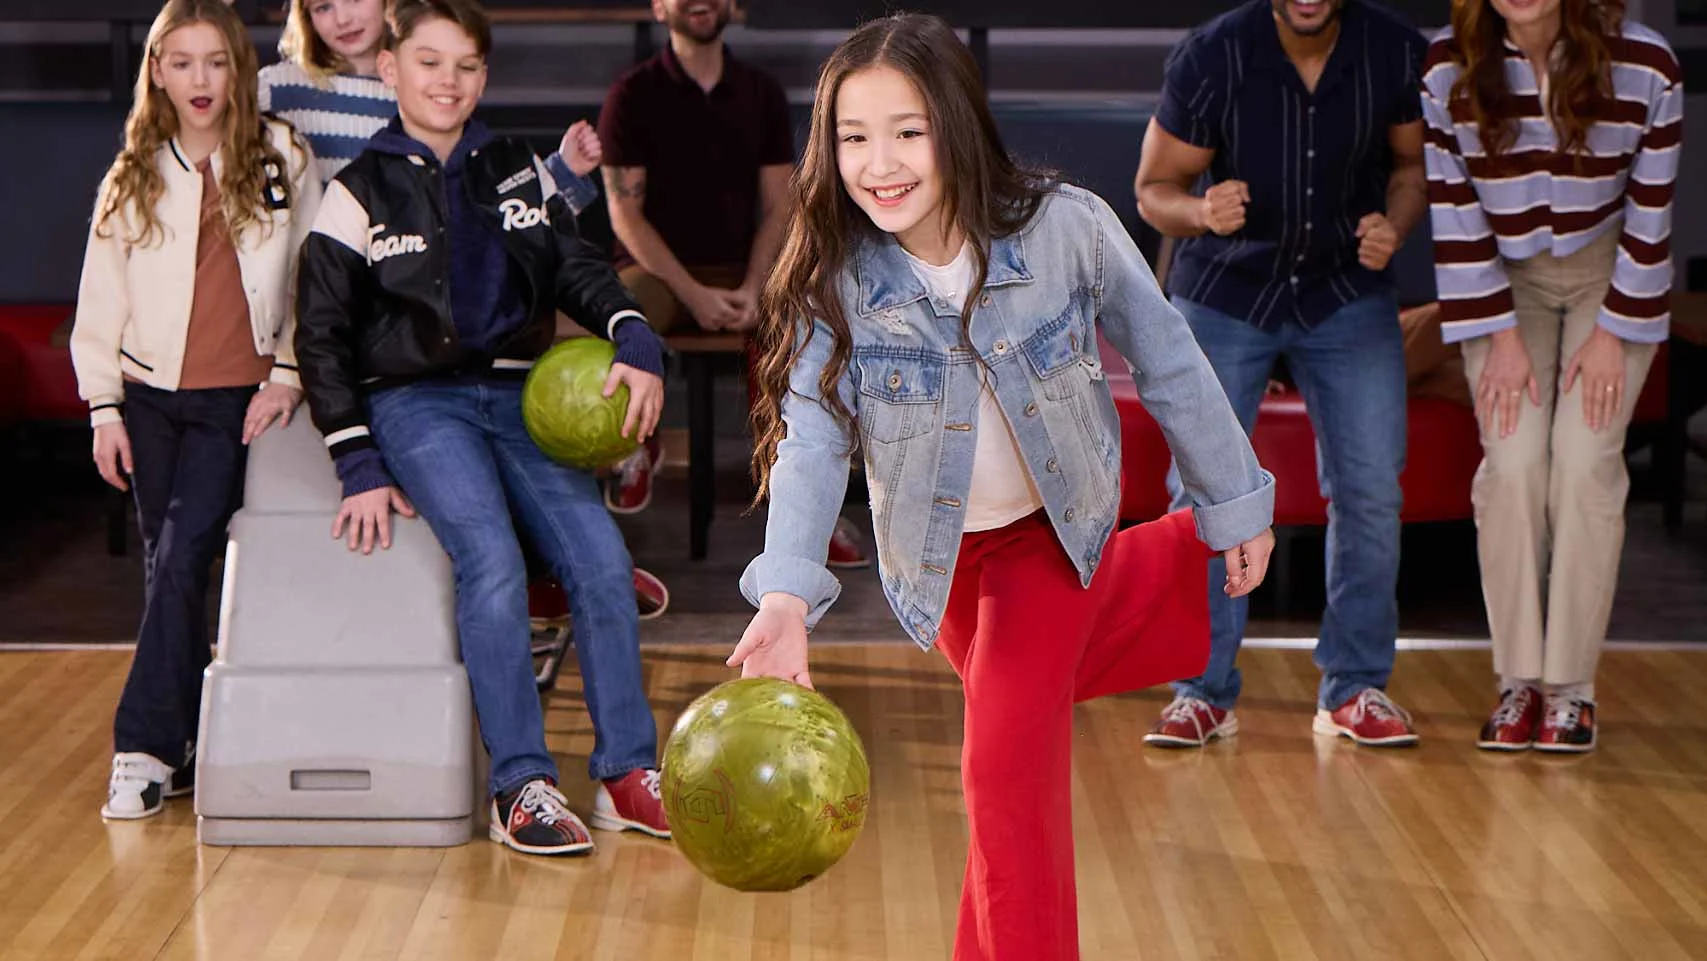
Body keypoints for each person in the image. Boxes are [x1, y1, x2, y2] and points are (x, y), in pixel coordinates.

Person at [726, 15, 1276, 960]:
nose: (878, 163)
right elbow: (812, 437)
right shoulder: (834, 273)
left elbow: (1171, 361)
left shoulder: (1065, 228)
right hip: (936, 569)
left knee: (1001, 784)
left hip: (1047, 540)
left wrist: (1233, 502)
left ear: (955, 124)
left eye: (907, 130)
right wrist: (785, 593)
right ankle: (1158, 574)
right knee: (1003, 790)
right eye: (852, 137)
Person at [295, 0, 671, 855]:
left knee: (602, 562)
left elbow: (576, 266)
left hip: (520, 397)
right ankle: (521, 785)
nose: (448, 82)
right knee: (492, 561)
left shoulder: (515, 169)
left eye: (466, 66)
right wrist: (355, 461)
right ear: (391, 70)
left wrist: (631, 331)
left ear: (483, 78)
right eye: (429, 62)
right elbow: (318, 335)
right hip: (415, 403)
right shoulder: (357, 192)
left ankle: (622, 773)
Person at [259, 0, 670, 619]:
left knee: (516, 357)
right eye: (321, 5)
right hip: (357, 309)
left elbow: (494, 210)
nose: (342, 15)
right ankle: (549, 566)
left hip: (433, 299)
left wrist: (564, 175)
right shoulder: (280, 89)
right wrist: (287, 368)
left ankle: (573, 563)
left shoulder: (434, 74)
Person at [1134, 0, 1430, 748]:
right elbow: (1152, 190)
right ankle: (1200, 689)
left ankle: (1354, 686)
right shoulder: (1212, 53)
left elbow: (1408, 165)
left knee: (1369, 488)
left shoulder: (1392, 51)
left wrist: (1394, 223)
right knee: (1201, 485)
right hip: (1228, 292)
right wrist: (1201, 210)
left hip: (1344, 294)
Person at [70, 0, 322, 819]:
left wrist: (286, 369)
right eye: (181, 62)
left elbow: (310, 276)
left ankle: (139, 748)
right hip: (148, 398)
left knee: (180, 561)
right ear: (157, 72)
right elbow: (100, 299)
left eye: (215, 61)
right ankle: (180, 745)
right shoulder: (134, 170)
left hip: (235, 401)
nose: (201, 80)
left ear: (237, 69)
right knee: (169, 570)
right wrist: (103, 408)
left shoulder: (281, 152)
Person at [1423, 0, 1680, 752]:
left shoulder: (1645, 65)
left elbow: (1649, 210)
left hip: (1610, 270)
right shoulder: (1447, 68)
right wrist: (1497, 332)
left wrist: (1614, 332)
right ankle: (1518, 683)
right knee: (1509, 466)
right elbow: (1454, 206)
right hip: (1503, 280)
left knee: (1584, 464)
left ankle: (1570, 690)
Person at [595, 0, 869, 565]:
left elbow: (780, 204)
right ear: (657, 6)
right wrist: (692, 294)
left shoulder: (759, 92)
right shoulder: (632, 94)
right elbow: (626, 217)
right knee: (625, 311)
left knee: (805, 315)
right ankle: (630, 450)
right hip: (656, 270)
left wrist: (753, 285)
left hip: (742, 267)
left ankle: (806, 503)